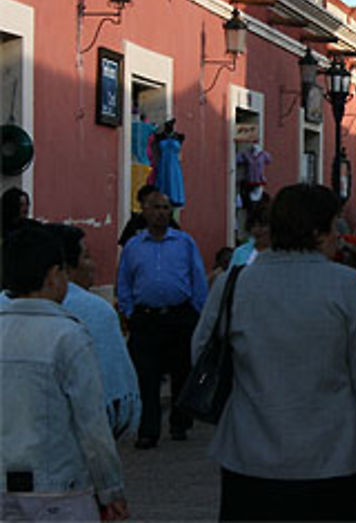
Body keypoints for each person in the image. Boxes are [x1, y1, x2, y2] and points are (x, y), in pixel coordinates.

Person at [191, 184, 356, 521]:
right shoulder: (347, 285)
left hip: (250, 450)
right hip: (333, 455)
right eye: (334, 226)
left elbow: (201, 350)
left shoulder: (235, 283)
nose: (338, 236)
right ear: (317, 231)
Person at [1, 227, 129, 520]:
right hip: (60, 490)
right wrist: (111, 489)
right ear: (53, 275)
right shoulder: (69, 337)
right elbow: (93, 426)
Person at [117, 190, 208, 449]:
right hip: (146, 319)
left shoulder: (184, 243)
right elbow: (124, 281)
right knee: (147, 376)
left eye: (166, 208)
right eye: (155, 207)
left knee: (181, 372)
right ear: (144, 211)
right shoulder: (134, 246)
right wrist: (129, 311)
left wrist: (197, 312)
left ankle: (179, 422)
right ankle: (149, 430)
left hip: (179, 316)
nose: (161, 213)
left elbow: (197, 278)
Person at [44, 224, 141, 439]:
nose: (93, 265)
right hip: (74, 445)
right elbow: (113, 393)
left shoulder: (6, 306)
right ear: (64, 268)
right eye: (86, 257)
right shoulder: (96, 311)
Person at [229, 200, 271, 268]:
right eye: (253, 225)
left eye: (262, 225)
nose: (257, 230)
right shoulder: (240, 252)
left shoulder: (280, 254)